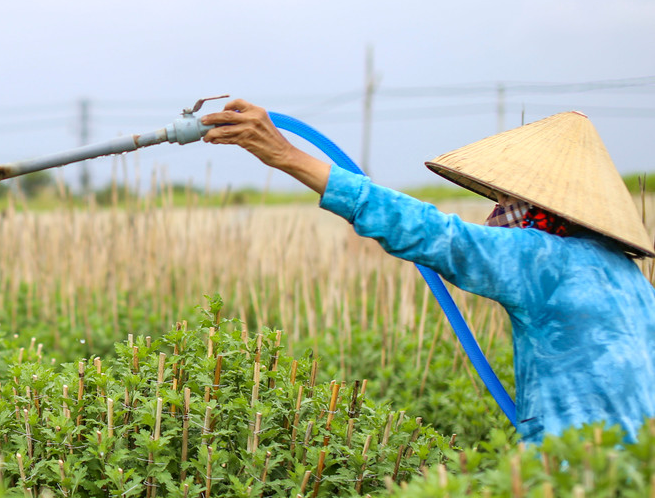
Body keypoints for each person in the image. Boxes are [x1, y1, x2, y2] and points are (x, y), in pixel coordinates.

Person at [199, 98, 655, 444]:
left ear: (535, 206)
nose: (498, 210)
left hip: (575, 477)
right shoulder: (631, 280)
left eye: (506, 201)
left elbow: (433, 233)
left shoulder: (540, 259)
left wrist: (285, 155)